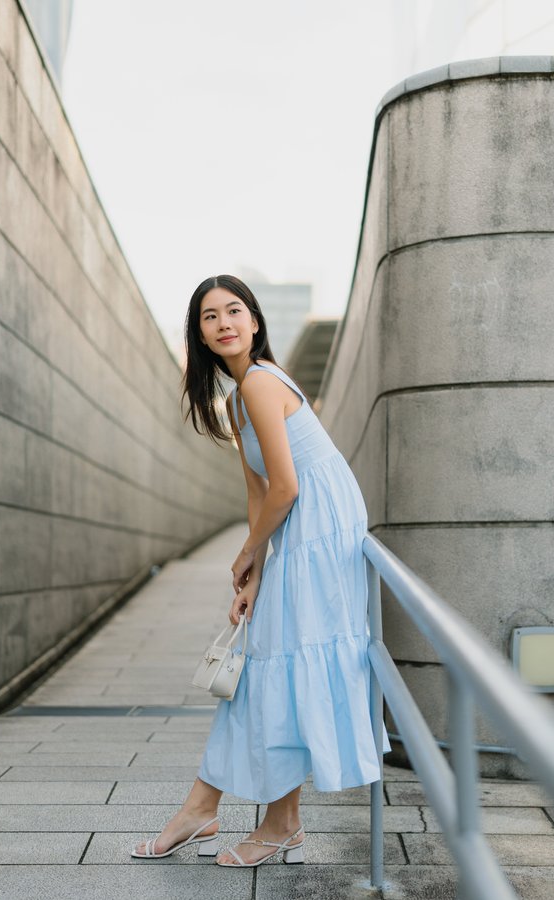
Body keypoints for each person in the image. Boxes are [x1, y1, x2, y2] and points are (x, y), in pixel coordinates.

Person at [131, 273, 391, 867]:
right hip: (300, 532)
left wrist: (249, 552)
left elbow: (287, 487)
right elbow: (257, 495)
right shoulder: (238, 397)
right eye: (209, 316)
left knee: (278, 668)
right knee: (267, 669)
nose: (224, 323)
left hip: (318, 530)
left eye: (234, 311)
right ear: (198, 334)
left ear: (254, 321)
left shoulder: (260, 384)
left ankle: (260, 820)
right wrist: (254, 577)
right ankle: (244, 815)